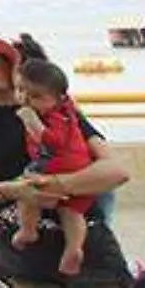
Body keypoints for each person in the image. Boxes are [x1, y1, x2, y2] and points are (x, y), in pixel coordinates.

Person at [0, 33, 138, 287]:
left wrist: (55, 185)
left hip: (86, 246)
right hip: (24, 253)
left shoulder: (60, 113)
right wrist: (14, 190)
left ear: (13, 65)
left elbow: (116, 171)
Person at [12, 59, 96, 276]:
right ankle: (74, 248)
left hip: (58, 166)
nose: (25, 99)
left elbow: (53, 141)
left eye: (36, 96)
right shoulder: (65, 111)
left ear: (58, 98)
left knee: (25, 190)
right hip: (80, 169)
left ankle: (28, 230)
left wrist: (31, 121)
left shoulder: (58, 115)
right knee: (72, 211)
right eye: (20, 90)